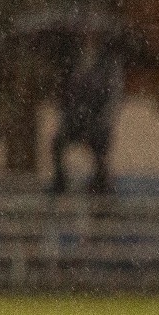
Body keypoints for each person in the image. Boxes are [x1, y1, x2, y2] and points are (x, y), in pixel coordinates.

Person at [51, 35, 121, 196]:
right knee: (57, 143)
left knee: (99, 147)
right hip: (76, 119)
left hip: (97, 121)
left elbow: (112, 99)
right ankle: (60, 182)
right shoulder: (73, 63)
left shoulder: (108, 66)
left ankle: (100, 183)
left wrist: (99, 121)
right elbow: (66, 97)